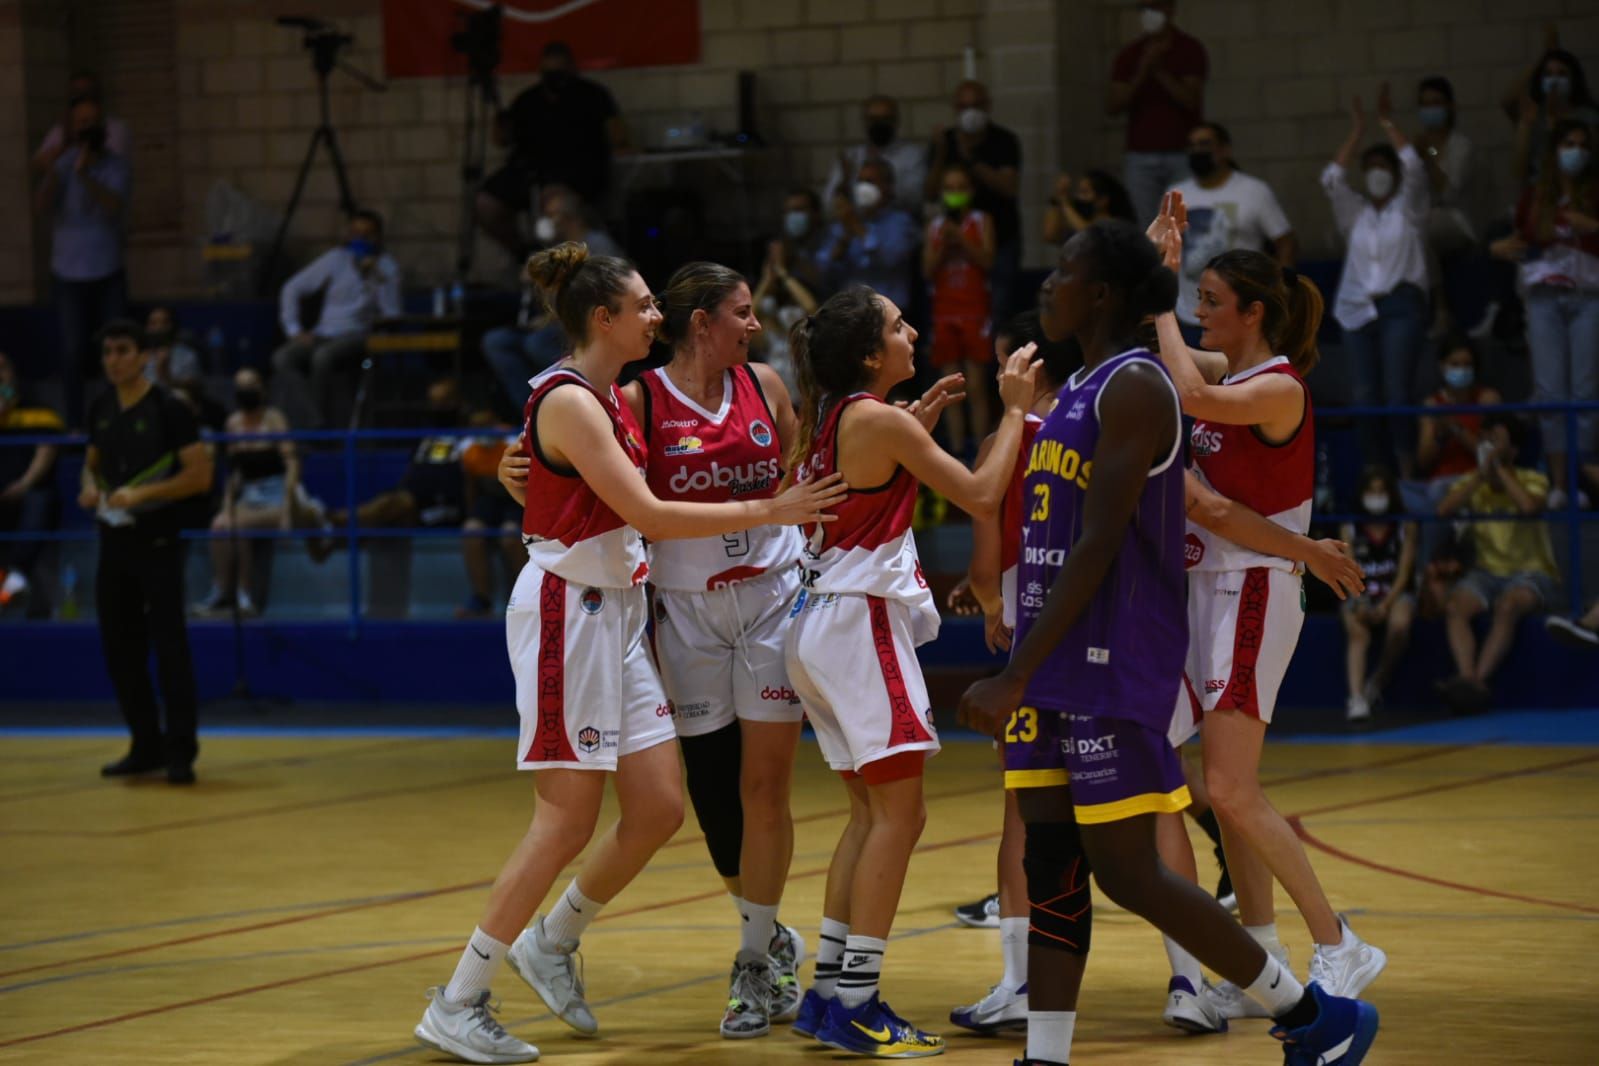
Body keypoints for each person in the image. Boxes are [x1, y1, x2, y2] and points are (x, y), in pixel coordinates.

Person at [411, 242, 844, 1065]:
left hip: (618, 614)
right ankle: (459, 1000)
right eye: (644, 304)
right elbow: (648, 508)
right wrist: (775, 503)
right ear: (602, 319)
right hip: (566, 616)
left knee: (657, 808)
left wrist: (521, 470)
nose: (658, 314)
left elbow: (561, 474)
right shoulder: (573, 399)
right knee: (563, 820)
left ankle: (554, 940)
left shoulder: (605, 397)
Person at [959, 219, 1379, 1066]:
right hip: (1062, 654)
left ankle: (1311, 1005)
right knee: (1052, 858)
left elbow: (1104, 539)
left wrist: (1016, 671)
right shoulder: (1074, 386)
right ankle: (1045, 1054)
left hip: (1113, 654)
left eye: (1065, 271)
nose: (1047, 283)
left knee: (1138, 862)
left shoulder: (1142, 387)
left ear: (1104, 294)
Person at [1147, 197, 1387, 1019]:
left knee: (1230, 787)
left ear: (1253, 313)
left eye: (1210, 302)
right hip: (1206, 586)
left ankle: (1337, 941)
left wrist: (1159, 284)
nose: (1196, 314)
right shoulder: (1232, 372)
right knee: (1212, 788)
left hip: (1250, 589)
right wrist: (1160, 271)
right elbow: (1177, 370)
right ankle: (1264, 958)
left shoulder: (1276, 387)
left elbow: (1185, 386)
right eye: (1195, 300)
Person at [783, 283, 1036, 1057]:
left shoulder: (837, 415)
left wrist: (912, 425)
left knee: (868, 815)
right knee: (901, 816)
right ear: (869, 355)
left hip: (815, 625)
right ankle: (859, 1001)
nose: (913, 330)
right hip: (857, 625)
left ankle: (826, 994)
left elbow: (873, 478)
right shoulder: (878, 420)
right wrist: (1015, 409)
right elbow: (984, 495)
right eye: (897, 326)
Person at [618, 262, 808, 1039]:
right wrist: (507, 473)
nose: (753, 326)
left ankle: (753, 961)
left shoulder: (764, 384)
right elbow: (588, 482)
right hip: (688, 611)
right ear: (702, 324)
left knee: (764, 790)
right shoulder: (638, 401)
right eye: (741, 313)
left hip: (769, 598)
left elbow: (801, 471)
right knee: (713, 793)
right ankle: (771, 934)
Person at [78, 321, 213, 785]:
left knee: (169, 647)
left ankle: (181, 751)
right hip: (112, 543)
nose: (113, 359)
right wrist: (88, 488)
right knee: (120, 648)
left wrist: (142, 495)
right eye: (107, 352)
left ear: (144, 356)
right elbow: (91, 464)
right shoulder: (99, 406)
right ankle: (144, 743)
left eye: (122, 350)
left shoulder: (169, 409)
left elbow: (199, 476)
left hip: (157, 541)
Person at [1491, 118, 1599, 510]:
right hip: (1544, 297)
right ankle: (1558, 483)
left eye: (1582, 144)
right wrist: (1498, 248)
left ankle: (1581, 481)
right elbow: (1520, 240)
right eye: (1568, 143)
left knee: (1584, 393)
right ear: (1555, 150)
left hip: (1589, 295)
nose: (1575, 150)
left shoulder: (1595, 192)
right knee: (1552, 394)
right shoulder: (1537, 196)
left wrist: (1592, 225)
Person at [1323, 85, 1431, 478]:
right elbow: (1333, 179)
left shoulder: (1411, 208)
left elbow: (1416, 168)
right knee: (1364, 396)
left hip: (1401, 304)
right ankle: (1376, 475)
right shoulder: (1355, 214)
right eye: (1371, 169)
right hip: (1356, 307)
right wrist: (1356, 133)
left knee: (1397, 393)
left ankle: (1405, 470)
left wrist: (1387, 123)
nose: (1377, 175)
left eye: (1383, 167)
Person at [1437, 414, 1561, 714]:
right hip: (1485, 573)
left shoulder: (1533, 479)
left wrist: (1500, 470)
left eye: (1497, 441)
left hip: (1531, 572)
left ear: (1513, 451)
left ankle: (1477, 683)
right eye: (1486, 440)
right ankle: (1468, 680)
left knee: (1508, 606)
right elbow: (1444, 510)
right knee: (1456, 607)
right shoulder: (1473, 482)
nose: (1488, 446)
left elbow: (1529, 506)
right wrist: (1482, 475)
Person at [194, 368, 328, 618]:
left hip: (279, 494)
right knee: (218, 525)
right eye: (240, 386)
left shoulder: (274, 419)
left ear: (262, 389)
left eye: (251, 384)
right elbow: (234, 474)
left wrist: (288, 509)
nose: (246, 391)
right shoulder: (232, 424)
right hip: (250, 497)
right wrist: (226, 506)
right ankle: (222, 591)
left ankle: (245, 596)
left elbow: (292, 464)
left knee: (238, 525)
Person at [477, 41, 629, 258]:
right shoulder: (528, 100)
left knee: (552, 202)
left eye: (559, 71)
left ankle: (559, 262)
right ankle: (525, 255)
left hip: (578, 172)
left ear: (572, 68)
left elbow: (618, 136)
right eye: (548, 72)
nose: (554, 77)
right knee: (486, 204)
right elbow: (501, 140)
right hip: (530, 171)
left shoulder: (593, 95)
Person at [33, 94, 131, 427]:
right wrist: (54, 173)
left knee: (115, 350)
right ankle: (75, 425)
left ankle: (114, 422)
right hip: (68, 273)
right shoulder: (62, 163)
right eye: (81, 123)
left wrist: (87, 175)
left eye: (93, 122)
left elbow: (113, 206)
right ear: (71, 128)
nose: (87, 129)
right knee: (73, 351)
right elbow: (43, 207)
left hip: (107, 270)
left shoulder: (116, 164)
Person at [483, 188, 622, 412]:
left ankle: (584, 399)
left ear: (570, 217)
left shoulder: (598, 245)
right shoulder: (554, 250)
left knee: (536, 344)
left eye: (552, 215)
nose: (547, 221)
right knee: (497, 341)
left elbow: (604, 292)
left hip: (588, 324)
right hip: (549, 323)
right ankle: (531, 411)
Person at [1167, 121, 1296, 346]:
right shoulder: (1176, 194)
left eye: (1205, 144)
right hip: (1188, 315)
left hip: (1240, 315)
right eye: (1192, 145)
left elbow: (1286, 242)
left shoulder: (1253, 191)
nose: (1198, 150)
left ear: (1225, 149)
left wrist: (1279, 293)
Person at [271, 209, 402, 430]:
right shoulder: (335, 259)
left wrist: (376, 277)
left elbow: (392, 312)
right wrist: (294, 330)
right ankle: (311, 416)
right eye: (355, 233)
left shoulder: (388, 268)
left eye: (367, 234)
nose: (360, 239)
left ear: (378, 237)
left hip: (358, 335)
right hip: (323, 333)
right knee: (282, 358)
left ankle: (315, 427)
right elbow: (291, 289)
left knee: (323, 357)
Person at [926, 80, 1023, 326]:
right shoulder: (944, 142)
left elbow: (1009, 187)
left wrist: (971, 159)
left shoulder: (1004, 140)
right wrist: (939, 153)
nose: (970, 111)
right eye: (964, 105)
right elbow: (929, 192)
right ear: (955, 108)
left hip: (1001, 238)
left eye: (976, 105)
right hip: (952, 241)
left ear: (988, 106)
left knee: (1000, 312)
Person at [1107, 0, 1209, 225]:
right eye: (1145, 9)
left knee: (1183, 221)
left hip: (1182, 152)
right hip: (1141, 154)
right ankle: (1153, 261)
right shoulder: (1129, 55)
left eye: (1156, 7)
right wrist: (1143, 70)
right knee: (1146, 224)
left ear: (1170, 9)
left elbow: (1191, 99)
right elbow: (1114, 105)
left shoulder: (1189, 49)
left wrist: (1159, 70)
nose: (1150, 14)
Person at [923, 162, 997, 455]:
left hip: (975, 309)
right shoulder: (935, 226)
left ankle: (980, 453)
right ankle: (954, 454)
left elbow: (988, 261)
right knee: (949, 389)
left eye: (960, 188)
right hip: (944, 310)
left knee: (976, 386)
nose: (954, 193)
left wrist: (963, 240)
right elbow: (927, 270)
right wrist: (943, 245)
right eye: (949, 188)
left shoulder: (981, 221)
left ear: (970, 191)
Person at [1341, 467, 1418, 723]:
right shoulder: (1350, 526)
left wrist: (1385, 605)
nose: (1376, 496)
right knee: (1358, 632)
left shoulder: (1404, 525)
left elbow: (1405, 573)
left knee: (1400, 624)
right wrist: (1360, 602)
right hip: (1360, 590)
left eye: (1381, 491)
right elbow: (1348, 567)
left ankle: (1377, 682)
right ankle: (1356, 698)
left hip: (1393, 593)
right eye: (1371, 491)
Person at [0, 353, 64, 614]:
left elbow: (46, 451)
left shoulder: (38, 410)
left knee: (40, 499)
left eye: (2, 369)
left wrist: (24, 484)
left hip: (28, 493)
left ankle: (15, 572)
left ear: (12, 375)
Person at [1414, 76, 1478, 333]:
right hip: (1425, 215)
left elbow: (1449, 192)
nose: (1430, 109)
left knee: (1421, 233)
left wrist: (1428, 157)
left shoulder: (1462, 146)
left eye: (1436, 102)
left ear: (1450, 106)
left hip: (1457, 220)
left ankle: (1441, 309)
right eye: (1425, 104)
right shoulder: (1415, 147)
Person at [817, 159, 919, 314]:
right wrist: (844, 239)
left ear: (887, 187)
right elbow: (823, 268)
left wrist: (860, 229)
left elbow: (890, 258)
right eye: (860, 181)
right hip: (851, 315)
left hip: (889, 314)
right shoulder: (845, 222)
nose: (863, 187)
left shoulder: (901, 222)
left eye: (870, 181)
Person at [751, 189, 827, 393]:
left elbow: (813, 309)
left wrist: (784, 275)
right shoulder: (768, 304)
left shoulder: (804, 289)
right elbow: (750, 318)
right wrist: (767, 280)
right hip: (775, 388)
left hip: (806, 388)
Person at [1506, 46, 1599, 187]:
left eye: (1562, 74)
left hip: (1579, 193)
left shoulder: (1588, 116)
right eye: (1548, 74)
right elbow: (1519, 171)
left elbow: (1593, 162)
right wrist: (1541, 58)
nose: (1554, 80)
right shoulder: (1533, 115)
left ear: (1573, 79)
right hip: (1539, 192)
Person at [823, 95, 929, 216]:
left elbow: (915, 199)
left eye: (885, 119)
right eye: (873, 119)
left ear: (896, 121)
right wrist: (845, 182)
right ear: (864, 122)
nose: (879, 124)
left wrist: (878, 188)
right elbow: (829, 204)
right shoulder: (851, 157)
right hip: (856, 226)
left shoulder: (912, 155)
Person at [31, 70, 131, 178]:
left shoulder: (116, 129)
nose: (82, 97)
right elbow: (38, 164)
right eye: (77, 93)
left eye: (87, 92)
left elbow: (108, 164)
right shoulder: (61, 129)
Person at [1042, 169, 1137, 245]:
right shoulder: (1078, 222)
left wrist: (1065, 204)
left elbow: (1090, 235)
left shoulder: (1116, 226)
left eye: (1085, 192)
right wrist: (1057, 199)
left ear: (1103, 200)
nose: (1079, 197)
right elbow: (1050, 235)